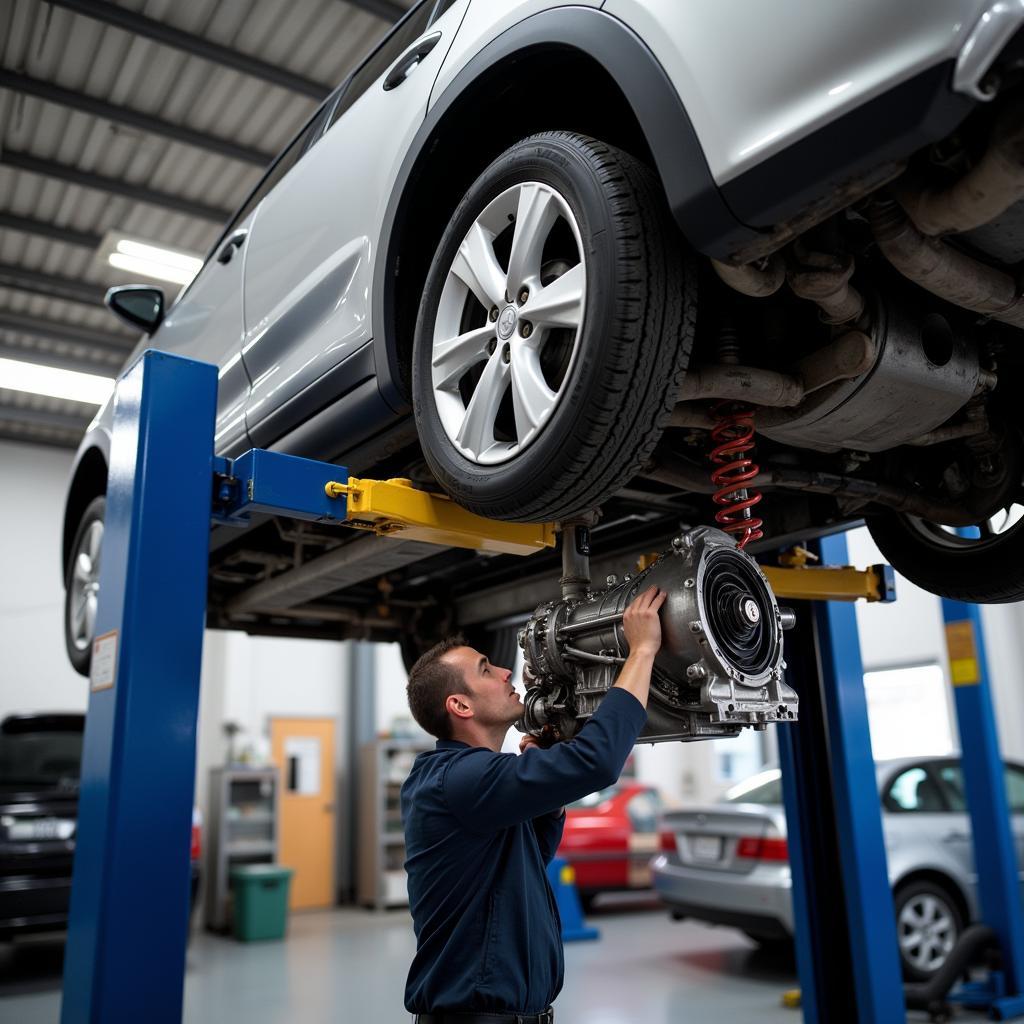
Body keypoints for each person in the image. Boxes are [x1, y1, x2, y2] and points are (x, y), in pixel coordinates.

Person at [401, 585, 668, 1024]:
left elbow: (522, 862)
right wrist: (642, 650)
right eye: (486, 670)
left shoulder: (470, 779)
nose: (506, 671)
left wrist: (550, 799)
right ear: (460, 705)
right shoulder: (460, 779)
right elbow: (598, 761)